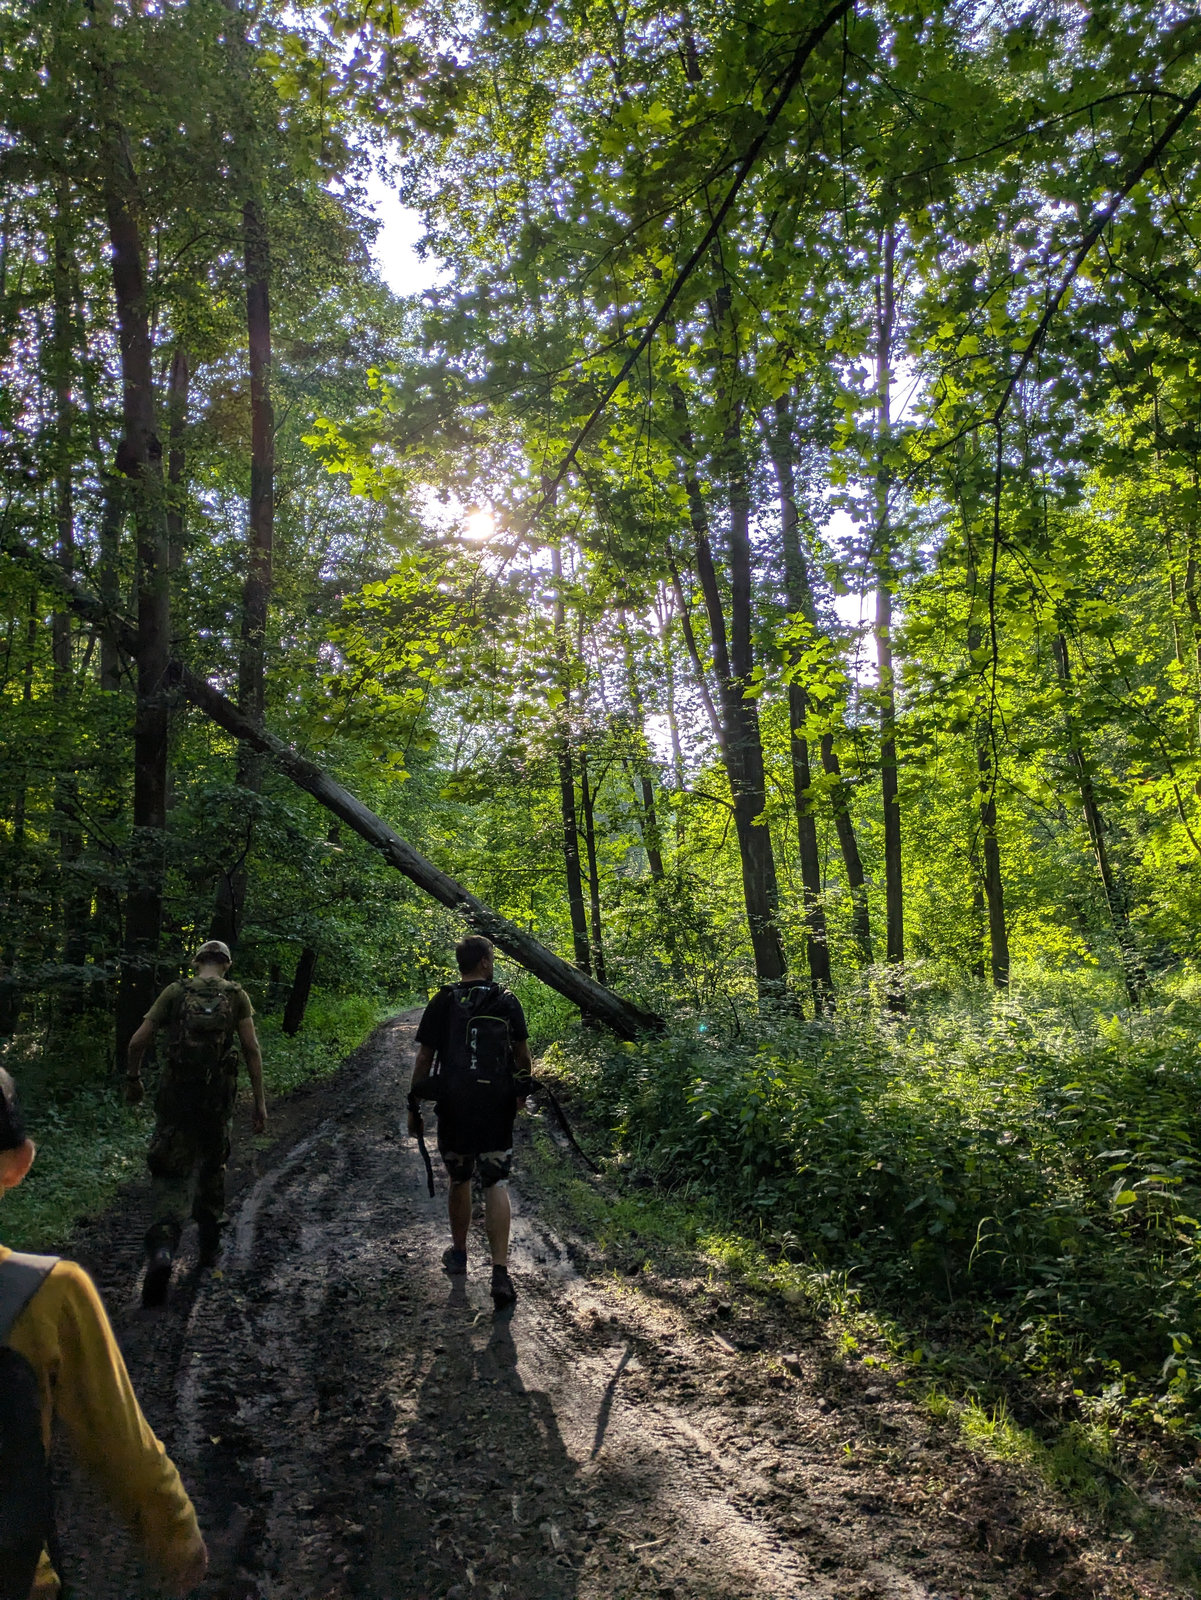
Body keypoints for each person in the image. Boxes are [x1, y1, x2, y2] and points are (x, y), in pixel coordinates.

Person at [0, 1067, 209, 1596]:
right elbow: (123, 1449)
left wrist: (134, 1073)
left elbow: (139, 1042)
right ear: (19, 1164)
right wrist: (178, 1538)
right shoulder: (46, 1293)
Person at [125, 939, 267, 1307]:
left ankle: (163, 1247)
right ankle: (208, 1247)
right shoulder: (236, 995)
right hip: (216, 1101)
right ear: (226, 964)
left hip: (176, 1099)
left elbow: (138, 1041)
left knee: (170, 1171)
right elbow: (251, 1049)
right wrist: (259, 1103)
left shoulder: (176, 992)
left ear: (197, 961)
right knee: (212, 1166)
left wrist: (134, 1079)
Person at [408, 935, 534, 1309]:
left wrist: (414, 1106)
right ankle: (500, 1272)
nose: (492, 962)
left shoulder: (443, 1000)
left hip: (455, 1106)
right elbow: (522, 1055)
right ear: (483, 962)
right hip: (496, 1106)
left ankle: (460, 1253)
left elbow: (424, 1059)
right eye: (491, 957)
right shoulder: (506, 999)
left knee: (459, 1178)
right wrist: (520, 1092)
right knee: (496, 1182)